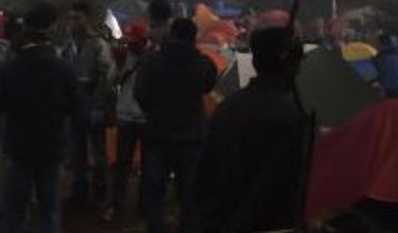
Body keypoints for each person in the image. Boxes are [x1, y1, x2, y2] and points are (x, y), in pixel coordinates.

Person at [196, 23, 308, 233]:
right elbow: (274, 185)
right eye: (298, 62)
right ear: (289, 65)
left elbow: (207, 174)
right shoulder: (287, 115)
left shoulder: (228, 107)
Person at [0, 4, 83, 233]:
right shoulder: (63, 69)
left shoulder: (10, 68)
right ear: (51, 29)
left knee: (15, 211)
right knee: (49, 209)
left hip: (18, 147)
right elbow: (76, 108)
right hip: (51, 147)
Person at [135, 18, 218, 233]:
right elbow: (208, 86)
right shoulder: (203, 64)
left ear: (171, 35)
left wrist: (154, 110)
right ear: (193, 38)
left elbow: (141, 93)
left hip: (158, 135)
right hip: (191, 138)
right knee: (190, 193)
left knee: (155, 192)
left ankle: (156, 227)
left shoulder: (153, 62)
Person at [64, 0, 116, 211]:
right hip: (75, 103)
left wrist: (98, 106)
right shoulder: (69, 45)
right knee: (77, 152)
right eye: (72, 18)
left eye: (78, 17)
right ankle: (80, 191)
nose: (74, 22)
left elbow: (107, 77)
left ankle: (100, 191)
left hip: (92, 101)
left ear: (88, 19)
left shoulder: (98, 45)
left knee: (98, 152)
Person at [108, 20, 154, 222]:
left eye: (134, 40)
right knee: (123, 165)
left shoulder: (154, 59)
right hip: (127, 116)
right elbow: (113, 80)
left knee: (147, 165)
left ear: (144, 40)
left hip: (144, 118)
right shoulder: (124, 55)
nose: (130, 43)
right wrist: (117, 65)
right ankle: (117, 205)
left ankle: (143, 207)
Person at [374, 33, 398, 98]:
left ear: (381, 43)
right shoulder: (397, 53)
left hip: (389, 87)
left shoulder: (381, 56)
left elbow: (380, 71)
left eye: (377, 42)